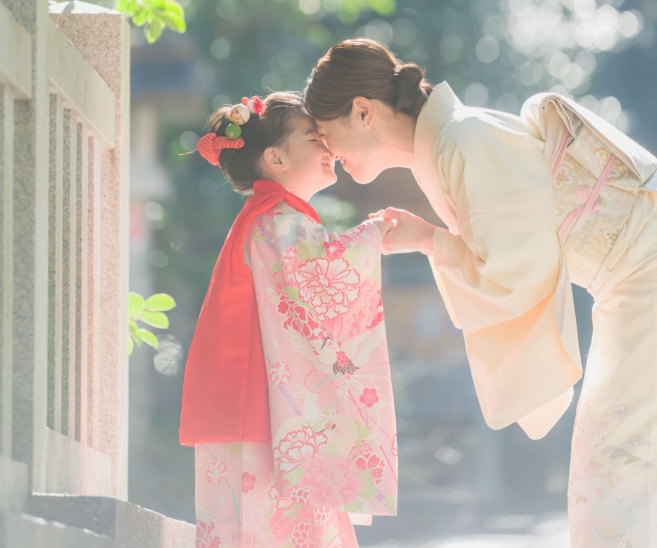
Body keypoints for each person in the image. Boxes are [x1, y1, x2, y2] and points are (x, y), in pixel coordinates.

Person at [304, 39, 657, 548]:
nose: (326, 153)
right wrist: (430, 240)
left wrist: (430, 240)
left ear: (362, 112)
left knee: (618, 466)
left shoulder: (462, 139)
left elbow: (516, 276)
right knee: (619, 465)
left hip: (644, 273)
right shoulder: (450, 142)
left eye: (325, 134)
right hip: (631, 284)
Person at [180, 91, 428, 548]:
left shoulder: (267, 217)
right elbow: (325, 275)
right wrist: (374, 234)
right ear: (275, 157)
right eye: (314, 138)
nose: (328, 147)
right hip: (264, 416)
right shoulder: (276, 218)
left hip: (246, 410)